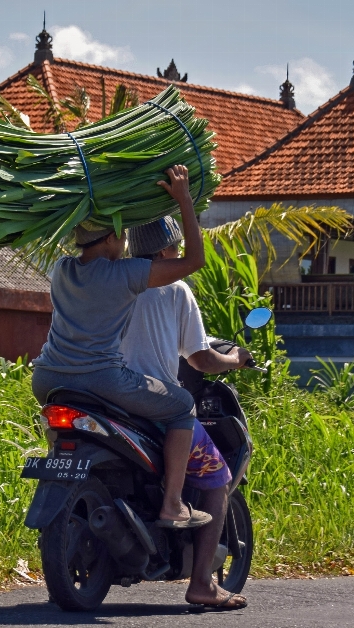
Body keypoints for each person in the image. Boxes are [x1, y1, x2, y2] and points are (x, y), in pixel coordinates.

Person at [31, 165, 210, 529]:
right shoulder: (124, 273)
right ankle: (172, 504)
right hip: (100, 380)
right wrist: (184, 201)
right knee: (182, 406)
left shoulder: (62, 269)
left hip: (47, 380)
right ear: (114, 237)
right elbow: (193, 261)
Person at [120, 215, 250, 610]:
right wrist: (234, 359)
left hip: (106, 397)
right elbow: (201, 360)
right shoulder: (176, 292)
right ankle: (202, 584)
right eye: (174, 247)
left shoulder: (111, 282)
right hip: (152, 404)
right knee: (216, 478)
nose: (177, 253)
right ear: (163, 251)